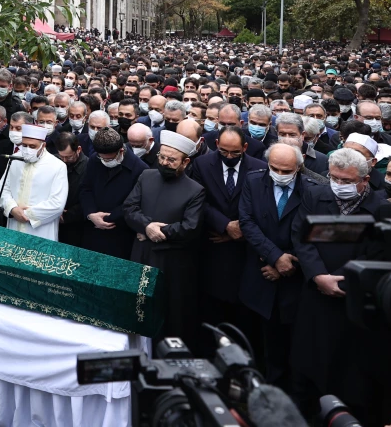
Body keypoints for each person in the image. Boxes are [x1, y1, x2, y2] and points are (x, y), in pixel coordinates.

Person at [290, 148, 391, 425]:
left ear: (365, 180)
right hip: (316, 295)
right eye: (335, 178)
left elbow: (376, 251)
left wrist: (341, 279)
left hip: (353, 298)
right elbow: (301, 237)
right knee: (310, 363)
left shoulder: (382, 207)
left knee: (349, 372)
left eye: (347, 181)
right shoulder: (315, 195)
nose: (339, 185)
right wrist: (317, 276)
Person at [239, 142, 318, 391]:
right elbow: (247, 222)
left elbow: (313, 232)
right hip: (262, 272)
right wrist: (275, 257)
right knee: (267, 341)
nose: (281, 175)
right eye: (276, 169)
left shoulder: (313, 189)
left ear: (299, 167)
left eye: (288, 171)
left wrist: (289, 260)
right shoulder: (253, 182)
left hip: (297, 277)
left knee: (296, 342)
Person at [122, 130, 206, 351]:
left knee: (170, 315)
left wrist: (158, 232)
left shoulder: (195, 190)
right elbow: (129, 208)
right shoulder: (146, 176)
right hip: (141, 256)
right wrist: (147, 226)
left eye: (171, 160)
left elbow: (190, 227)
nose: (165, 163)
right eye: (162, 157)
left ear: (185, 162)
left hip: (173, 263)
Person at [190, 124, 266, 353]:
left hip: (245, 253)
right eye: (224, 152)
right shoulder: (202, 164)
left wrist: (238, 231)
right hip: (212, 249)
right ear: (216, 146)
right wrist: (224, 225)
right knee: (211, 311)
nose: (230, 157)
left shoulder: (259, 168)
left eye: (235, 152)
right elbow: (197, 201)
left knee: (242, 318)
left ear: (245, 147)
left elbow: (262, 207)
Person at [79, 127, 147, 259]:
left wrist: (106, 219)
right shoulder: (95, 160)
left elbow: (134, 203)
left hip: (119, 233)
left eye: (109, 159)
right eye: (102, 158)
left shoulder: (140, 169)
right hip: (92, 228)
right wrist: (90, 214)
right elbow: (85, 188)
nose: (105, 162)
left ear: (121, 151)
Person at [0, 123, 68, 240]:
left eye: (32, 146)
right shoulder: (15, 159)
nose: (27, 150)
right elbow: (3, 189)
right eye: (24, 145)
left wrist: (27, 214)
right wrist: (12, 209)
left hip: (41, 230)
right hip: (14, 223)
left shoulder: (57, 166)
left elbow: (57, 203)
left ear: (43, 145)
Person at [55, 133, 89, 246]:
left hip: (76, 226)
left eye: (69, 157)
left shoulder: (89, 167)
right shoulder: (54, 161)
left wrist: (67, 215)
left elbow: (89, 197)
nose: (64, 160)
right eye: (61, 156)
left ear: (78, 149)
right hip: (52, 219)